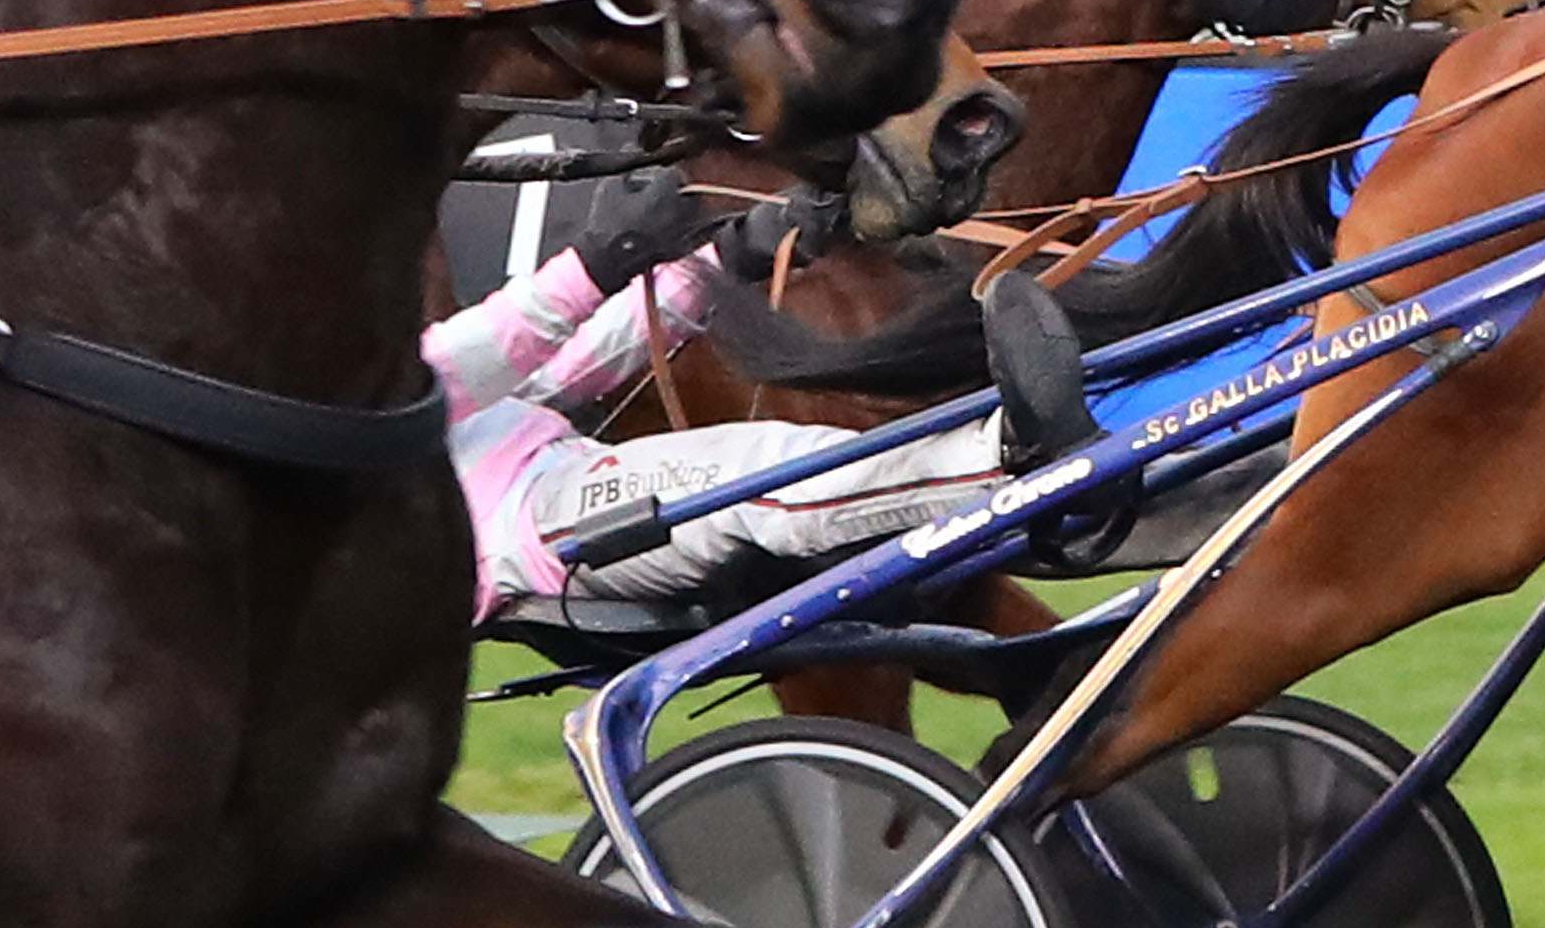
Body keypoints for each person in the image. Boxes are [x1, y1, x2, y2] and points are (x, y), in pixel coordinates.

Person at [431, 166, 1089, 620]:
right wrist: (595, 263)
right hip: (517, 531)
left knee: (784, 461)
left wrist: (729, 257)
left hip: (555, 476)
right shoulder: (345, 371)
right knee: (764, 476)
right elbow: (436, 380)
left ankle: (1017, 453)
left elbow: (557, 373)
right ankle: (1006, 452)